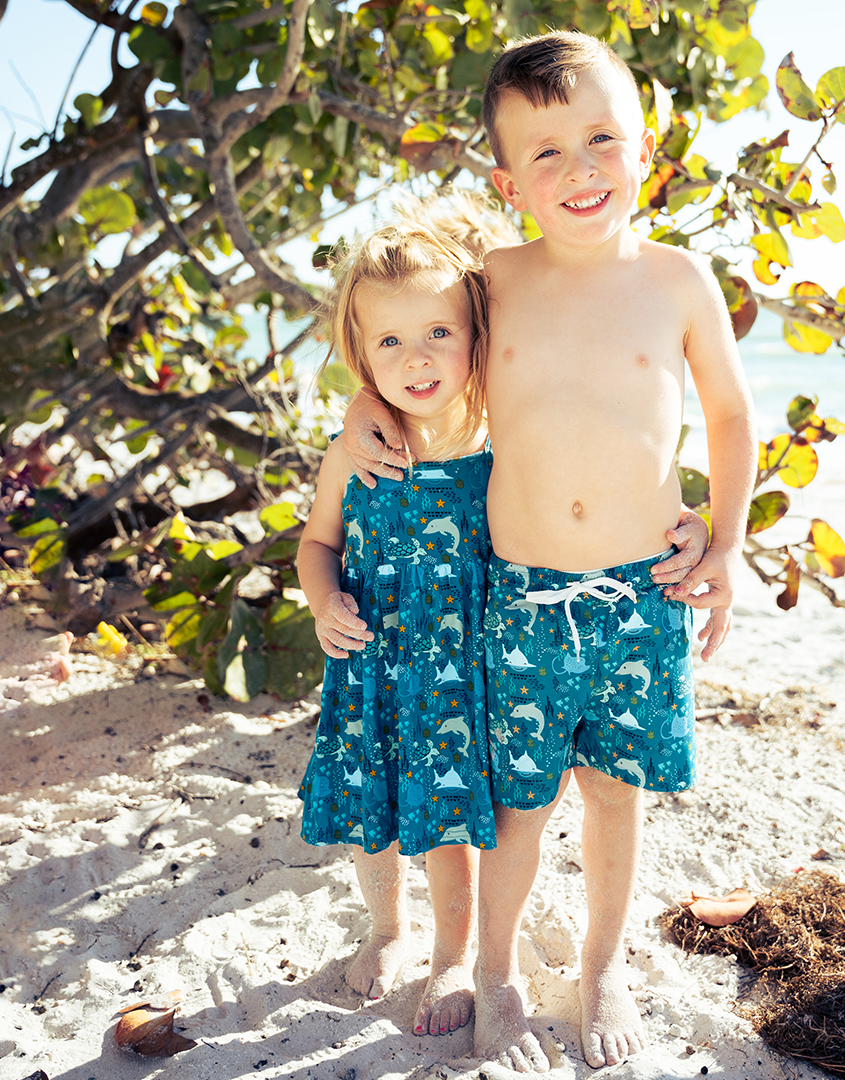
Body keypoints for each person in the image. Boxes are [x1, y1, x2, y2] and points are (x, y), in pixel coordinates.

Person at [343, 30, 757, 1073]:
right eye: (546, 152)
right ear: (506, 179)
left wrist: (727, 542)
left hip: (639, 595)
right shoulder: (494, 280)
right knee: (520, 803)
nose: (580, 170)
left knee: (618, 793)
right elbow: (409, 342)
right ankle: (497, 968)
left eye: (601, 139)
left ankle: (606, 960)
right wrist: (358, 408)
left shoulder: (677, 280)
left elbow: (730, 422)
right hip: (519, 595)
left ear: (646, 144)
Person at [296, 212, 501, 1040]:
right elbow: (318, 542)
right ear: (359, 353)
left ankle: (453, 952)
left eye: (438, 332)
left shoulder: (499, 439)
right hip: (373, 660)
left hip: (458, 666)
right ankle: (387, 926)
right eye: (389, 343)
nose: (416, 360)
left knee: (449, 814)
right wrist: (321, 603)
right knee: (371, 808)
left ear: (475, 333)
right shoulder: (355, 448)